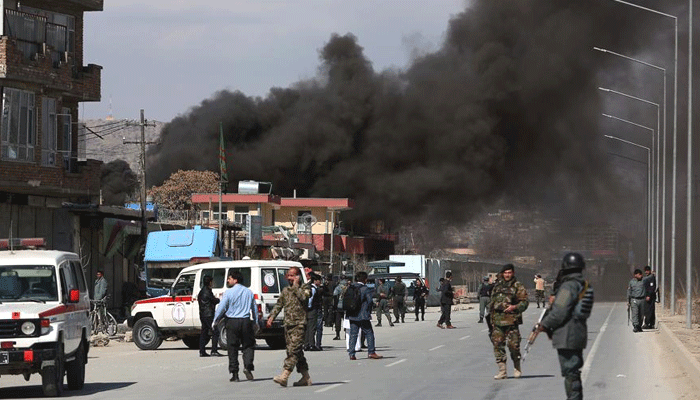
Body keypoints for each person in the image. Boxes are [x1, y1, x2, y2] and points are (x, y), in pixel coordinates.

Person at [539, 252, 594, 400]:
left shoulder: (568, 286)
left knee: (571, 373)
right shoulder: (585, 284)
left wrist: (544, 324)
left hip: (567, 334)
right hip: (578, 332)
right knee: (574, 372)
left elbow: (559, 311)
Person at [267, 267, 313, 387]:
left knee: (293, 351)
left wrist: (296, 286)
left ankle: (284, 375)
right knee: (296, 352)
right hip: (288, 324)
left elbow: (304, 297)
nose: (290, 278)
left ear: (298, 276)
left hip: (299, 324)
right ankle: (306, 377)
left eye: (293, 276)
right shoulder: (286, 290)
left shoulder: (305, 288)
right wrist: (272, 317)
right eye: (289, 276)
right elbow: (279, 304)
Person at [213, 270, 257, 382]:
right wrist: (256, 321)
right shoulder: (249, 292)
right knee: (248, 345)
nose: (228, 280)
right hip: (246, 321)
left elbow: (221, 307)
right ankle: (248, 366)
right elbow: (254, 308)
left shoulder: (228, 293)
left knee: (232, 347)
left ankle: (235, 373)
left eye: (229, 278)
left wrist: (215, 320)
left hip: (232, 322)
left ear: (235, 280)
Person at [488, 264, 528, 379]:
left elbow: (524, 302)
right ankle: (502, 371)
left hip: (511, 322)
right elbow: (492, 303)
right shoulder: (497, 286)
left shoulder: (517, 286)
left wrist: (514, 307)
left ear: (513, 273)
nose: (507, 275)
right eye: (505, 273)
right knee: (497, 345)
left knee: (513, 346)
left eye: (509, 272)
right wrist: (491, 320)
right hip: (497, 322)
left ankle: (517, 367)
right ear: (502, 274)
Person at [346, 271, 383, 360]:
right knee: (369, 333)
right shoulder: (365, 288)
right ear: (365, 279)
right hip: (363, 315)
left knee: (353, 334)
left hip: (352, 314)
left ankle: (351, 354)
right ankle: (371, 352)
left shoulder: (350, 287)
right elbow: (369, 301)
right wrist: (371, 308)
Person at [198, 275, 221, 357]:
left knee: (204, 332)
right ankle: (214, 350)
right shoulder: (207, 291)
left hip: (202, 314)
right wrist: (219, 299)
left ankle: (202, 351)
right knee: (215, 331)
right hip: (209, 314)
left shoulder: (201, 292)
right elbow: (213, 301)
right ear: (210, 282)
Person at [305, 273, 322, 351]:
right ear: (315, 281)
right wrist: (309, 307)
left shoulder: (309, 288)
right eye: (319, 280)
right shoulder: (313, 289)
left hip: (308, 310)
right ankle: (311, 344)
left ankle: (306, 344)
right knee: (312, 328)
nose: (320, 282)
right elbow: (310, 300)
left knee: (308, 328)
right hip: (312, 310)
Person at [627, 268, 645, 333]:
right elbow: (629, 292)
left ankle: (639, 325)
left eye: (641, 274)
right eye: (638, 274)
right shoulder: (631, 282)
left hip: (642, 299)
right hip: (634, 299)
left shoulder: (644, 281)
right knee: (635, 313)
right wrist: (628, 301)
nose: (640, 276)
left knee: (641, 314)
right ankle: (635, 326)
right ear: (635, 275)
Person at [332, 275, 348, 340]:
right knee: (346, 321)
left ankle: (337, 334)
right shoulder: (347, 287)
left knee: (337, 321)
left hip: (339, 306)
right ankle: (346, 334)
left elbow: (334, 294)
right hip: (346, 306)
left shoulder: (338, 287)